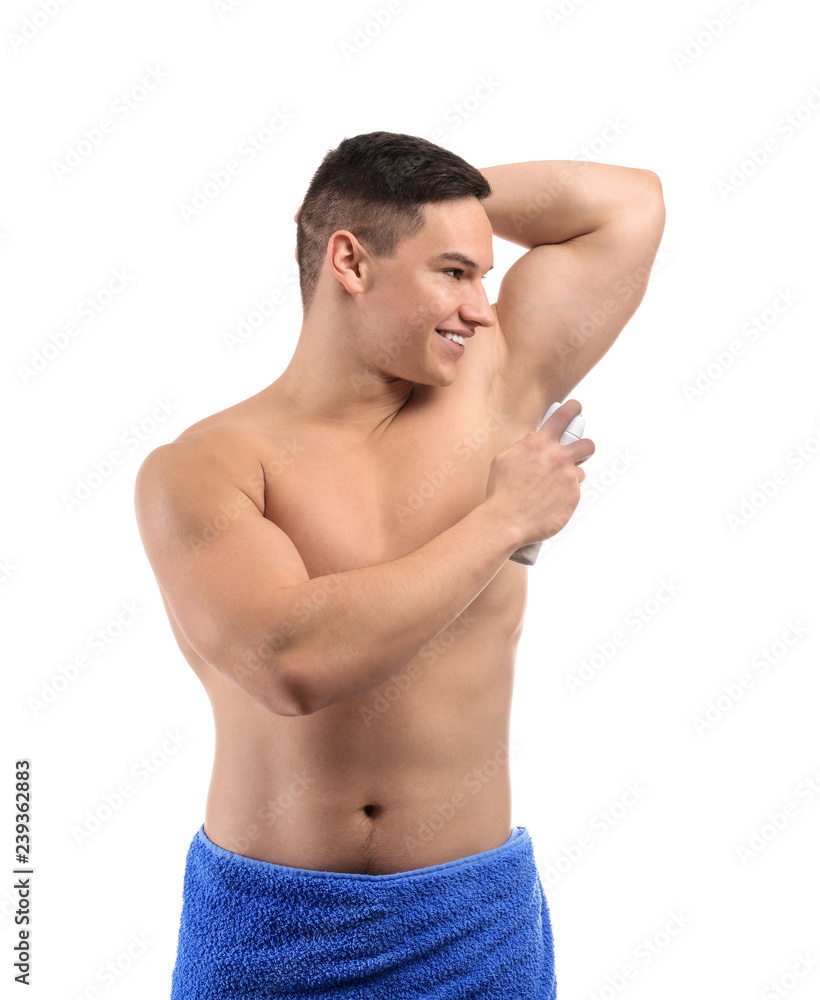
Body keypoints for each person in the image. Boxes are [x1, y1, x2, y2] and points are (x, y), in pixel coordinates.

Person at [134, 131, 665, 998]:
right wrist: (503, 521)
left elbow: (628, 205)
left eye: (485, 276)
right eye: (454, 272)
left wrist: (411, 204)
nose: (482, 307)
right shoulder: (206, 464)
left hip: (474, 926)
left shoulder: (494, 386)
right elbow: (290, 662)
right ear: (348, 261)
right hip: (275, 935)